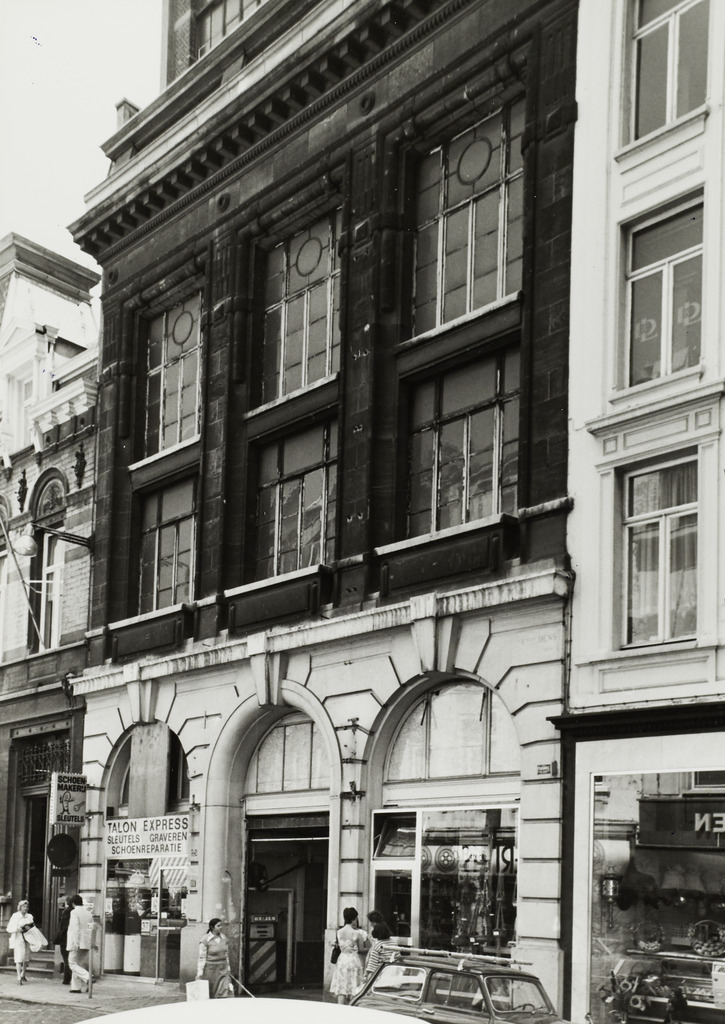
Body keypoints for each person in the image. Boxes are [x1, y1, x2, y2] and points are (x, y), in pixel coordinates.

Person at [330, 906, 368, 1005]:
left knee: (342, 988)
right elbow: (361, 949)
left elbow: (339, 946)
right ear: (353, 919)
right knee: (354, 987)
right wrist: (371, 949)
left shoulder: (339, 932)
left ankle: (340, 1009)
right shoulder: (356, 933)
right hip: (353, 960)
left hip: (342, 960)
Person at [196, 918, 233, 998]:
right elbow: (201, 957)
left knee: (223, 990)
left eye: (221, 925)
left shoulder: (224, 938)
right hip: (210, 970)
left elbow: (226, 955)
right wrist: (200, 972)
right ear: (212, 927)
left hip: (223, 969)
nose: (221, 927)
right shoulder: (205, 940)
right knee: (211, 992)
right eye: (218, 926)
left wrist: (228, 969)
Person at [67, 894, 94, 994]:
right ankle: (76, 987)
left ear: (73, 903)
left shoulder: (74, 912)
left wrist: (75, 942)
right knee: (78, 964)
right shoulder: (88, 913)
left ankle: (88, 977)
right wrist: (91, 941)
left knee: (72, 963)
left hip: (77, 942)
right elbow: (91, 927)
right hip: (86, 942)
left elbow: (75, 928)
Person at [6, 899, 33, 984]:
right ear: (20, 907)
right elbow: (9, 928)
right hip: (18, 938)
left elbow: (32, 927)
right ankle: (18, 976)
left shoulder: (29, 916)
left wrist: (29, 929)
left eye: (27, 907)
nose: (25, 908)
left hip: (27, 939)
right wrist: (17, 929)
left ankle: (23, 974)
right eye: (23, 907)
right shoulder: (15, 916)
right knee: (19, 957)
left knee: (26, 957)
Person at [55, 897, 73, 985]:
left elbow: (64, 927)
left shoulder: (66, 912)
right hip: (71, 938)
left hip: (65, 939)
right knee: (70, 959)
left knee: (66, 959)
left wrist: (59, 936)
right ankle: (68, 978)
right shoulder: (73, 911)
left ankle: (67, 979)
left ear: (66, 903)